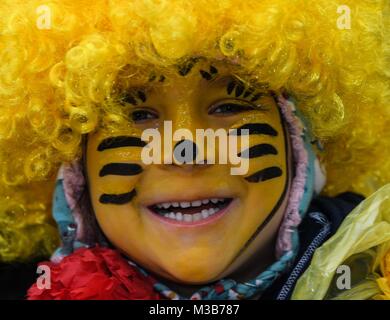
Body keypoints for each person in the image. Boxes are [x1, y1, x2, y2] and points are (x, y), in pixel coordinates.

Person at [0, 0, 389, 300]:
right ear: (74, 163)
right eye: (136, 114)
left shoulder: (375, 272)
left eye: (228, 106)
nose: (185, 150)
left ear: (303, 139)